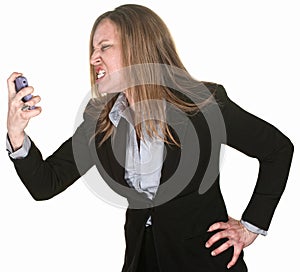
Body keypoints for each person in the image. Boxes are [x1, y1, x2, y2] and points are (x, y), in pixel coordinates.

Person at [6, 4, 293, 272]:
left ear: (138, 49)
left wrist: (251, 226)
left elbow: (277, 150)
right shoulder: (101, 121)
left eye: (104, 47)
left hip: (204, 262)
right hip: (141, 261)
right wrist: (16, 133)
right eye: (93, 50)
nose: (93, 58)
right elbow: (46, 184)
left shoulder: (203, 104)